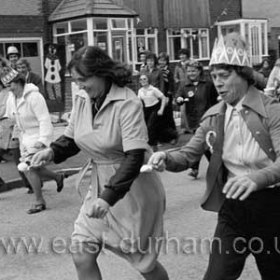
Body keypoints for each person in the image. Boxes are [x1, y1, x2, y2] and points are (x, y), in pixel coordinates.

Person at [148, 32, 280, 279]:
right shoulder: (214, 115)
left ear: (243, 75)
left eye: (225, 75)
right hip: (233, 209)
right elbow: (188, 154)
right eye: (215, 76)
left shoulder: (271, 110)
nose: (218, 83)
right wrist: (167, 159)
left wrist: (257, 178)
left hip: (273, 206)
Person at [30, 46, 168, 280]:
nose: (80, 85)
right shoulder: (83, 98)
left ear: (102, 73)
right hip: (98, 187)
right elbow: (73, 138)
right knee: (82, 252)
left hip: (131, 190)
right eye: (75, 80)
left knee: (144, 263)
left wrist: (108, 198)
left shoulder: (128, 102)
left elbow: (134, 157)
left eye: (83, 79)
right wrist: (51, 152)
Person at [3, 69, 64, 214]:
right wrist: (9, 129)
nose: (8, 88)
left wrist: (42, 140)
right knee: (33, 167)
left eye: (10, 84)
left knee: (29, 168)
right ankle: (57, 177)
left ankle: (39, 201)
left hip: (37, 135)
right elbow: (11, 117)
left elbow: (44, 119)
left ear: (18, 83)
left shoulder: (35, 97)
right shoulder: (12, 98)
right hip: (24, 137)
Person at [175, 60, 218, 178]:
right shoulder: (184, 84)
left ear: (199, 71)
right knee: (201, 143)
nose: (191, 73)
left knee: (206, 144)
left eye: (193, 70)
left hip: (207, 118)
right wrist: (179, 99)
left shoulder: (208, 84)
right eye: (189, 71)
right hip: (193, 119)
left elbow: (215, 99)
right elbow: (178, 97)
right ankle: (208, 168)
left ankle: (203, 168)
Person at [138, 73, 166, 151]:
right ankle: (154, 146)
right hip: (146, 109)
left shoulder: (153, 89)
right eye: (141, 79)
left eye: (144, 79)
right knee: (146, 127)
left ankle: (152, 146)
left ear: (148, 80)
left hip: (155, 108)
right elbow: (139, 102)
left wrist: (161, 109)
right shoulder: (140, 91)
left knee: (151, 126)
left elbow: (163, 98)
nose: (143, 81)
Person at [158, 52, 178, 144]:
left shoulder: (168, 71)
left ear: (167, 61)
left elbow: (171, 84)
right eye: (160, 60)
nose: (161, 62)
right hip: (159, 95)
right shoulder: (158, 70)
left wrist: (169, 96)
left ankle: (173, 136)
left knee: (169, 116)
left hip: (166, 95)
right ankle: (163, 137)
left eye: (163, 60)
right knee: (161, 118)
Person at [174, 48, 191, 134]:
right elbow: (175, 77)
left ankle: (192, 126)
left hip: (190, 88)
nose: (182, 56)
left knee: (191, 107)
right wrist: (178, 81)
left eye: (183, 54)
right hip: (182, 88)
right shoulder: (178, 66)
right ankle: (186, 127)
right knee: (182, 109)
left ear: (187, 55)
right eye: (180, 55)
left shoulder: (190, 64)